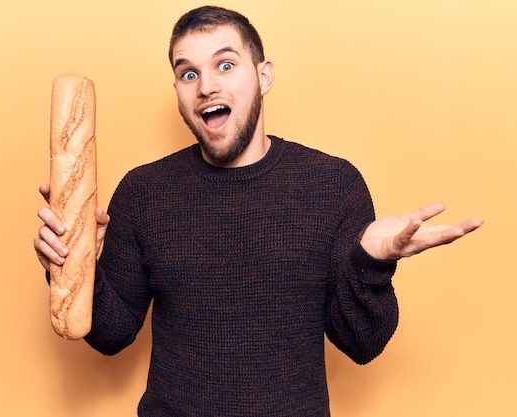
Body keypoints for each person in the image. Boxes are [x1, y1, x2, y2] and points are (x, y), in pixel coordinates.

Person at [33, 6, 483, 416]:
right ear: (177, 90)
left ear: (264, 76)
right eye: (187, 73)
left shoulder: (332, 185)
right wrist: (73, 264)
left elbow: (362, 345)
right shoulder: (143, 191)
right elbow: (113, 335)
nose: (206, 85)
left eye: (225, 65)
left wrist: (370, 264)